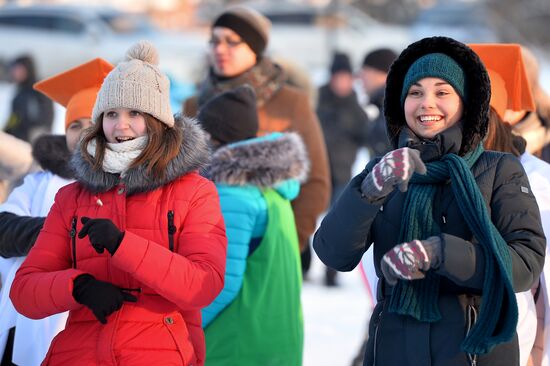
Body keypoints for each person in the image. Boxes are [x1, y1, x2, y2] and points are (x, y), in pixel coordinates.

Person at [313, 36, 546, 365]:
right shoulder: (384, 171)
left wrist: (440, 252)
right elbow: (333, 253)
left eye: (442, 92)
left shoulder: (498, 169)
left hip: (471, 352)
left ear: (465, 102)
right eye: (415, 92)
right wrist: (368, 191)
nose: (426, 103)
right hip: (394, 351)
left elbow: (524, 266)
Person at [9, 41, 227, 366]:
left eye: (134, 113)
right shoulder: (72, 197)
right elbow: (24, 292)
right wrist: (77, 286)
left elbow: (203, 285)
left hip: (158, 352)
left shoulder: (195, 192)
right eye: (111, 113)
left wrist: (124, 245)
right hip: (77, 353)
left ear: (158, 121)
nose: (120, 125)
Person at [183, 5, 330, 254]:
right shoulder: (194, 104)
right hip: (201, 252)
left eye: (232, 41)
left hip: (267, 248)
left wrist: (287, 242)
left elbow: (316, 182)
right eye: (215, 41)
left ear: (255, 48)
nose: (220, 49)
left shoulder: (290, 102)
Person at [0, 57, 113, 366]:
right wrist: (57, 234)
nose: (82, 132)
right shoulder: (44, 180)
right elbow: (4, 228)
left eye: (92, 123)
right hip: (25, 322)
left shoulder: (128, 185)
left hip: (92, 326)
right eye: (74, 125)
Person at [196, 85, 307, 365]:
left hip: (233, 343)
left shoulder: (232, 195)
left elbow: (220, 283)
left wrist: (182, 326)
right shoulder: (274, 190)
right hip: (274, 340)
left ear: (211, 137)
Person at [317, 52, 369, 286]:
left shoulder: (355, 107)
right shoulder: (318, 101)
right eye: (338, 77)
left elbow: (367, 136)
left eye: (346, 78)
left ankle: (331, 271)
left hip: (342, 174)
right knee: (307, 219)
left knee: (334, 222)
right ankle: (303, 264)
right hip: (316, 171)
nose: (342, 83)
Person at [3, 55, 54, 143]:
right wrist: (6, 131)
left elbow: (46, 116)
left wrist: (37, 140)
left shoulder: (38, 89)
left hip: (32, 142)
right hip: (17, 140)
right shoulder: (20, 92)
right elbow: (15, 116)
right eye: (14, 69)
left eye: (19, 69)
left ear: (28, 69)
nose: (15, 72)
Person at [359, 48, 398, 158]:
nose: (361, 79)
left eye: (365, 73)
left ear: (381, 73)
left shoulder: (394, 112)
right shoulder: (387, 108)